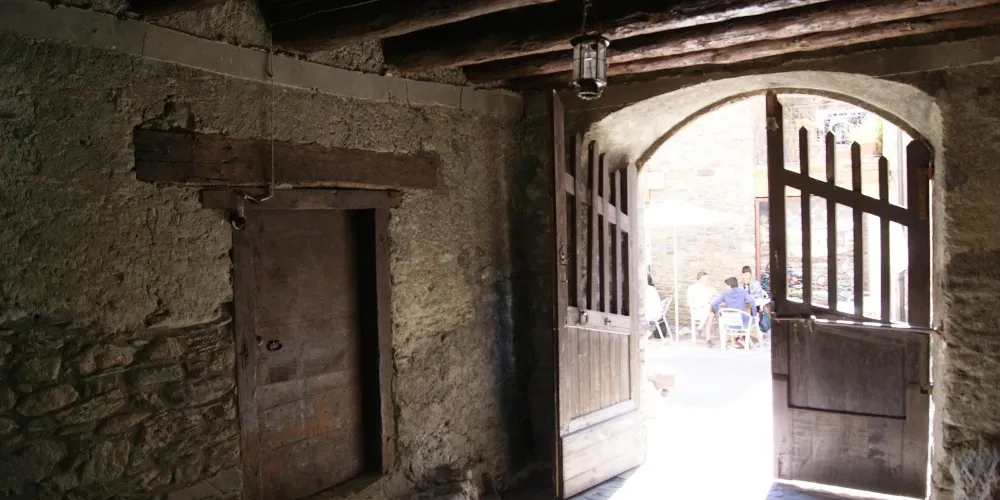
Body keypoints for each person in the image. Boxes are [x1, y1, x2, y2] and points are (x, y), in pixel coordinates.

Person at [711, 277, 757, 348]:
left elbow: (714, 304)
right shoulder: (743, 292)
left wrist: (719, 314)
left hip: (729, 323)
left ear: (729, 285)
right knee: (749, 318)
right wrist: (754, 314)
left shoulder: (724, 294)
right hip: (743, 323)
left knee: (741, 318)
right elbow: (752, 301)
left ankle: (739, 339)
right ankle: (741, 338)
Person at [686, 271, 715, 340]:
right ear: (698, 279)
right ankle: (705, 333)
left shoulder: (708, 288)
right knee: (710, 313)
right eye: (703, 279)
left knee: (711, 312)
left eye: (706, 279)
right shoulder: (692, 288)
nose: (705, 281)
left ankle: (701, 329)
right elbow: (689, 301)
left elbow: (716, 295)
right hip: (696, 310)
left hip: (706, 309)